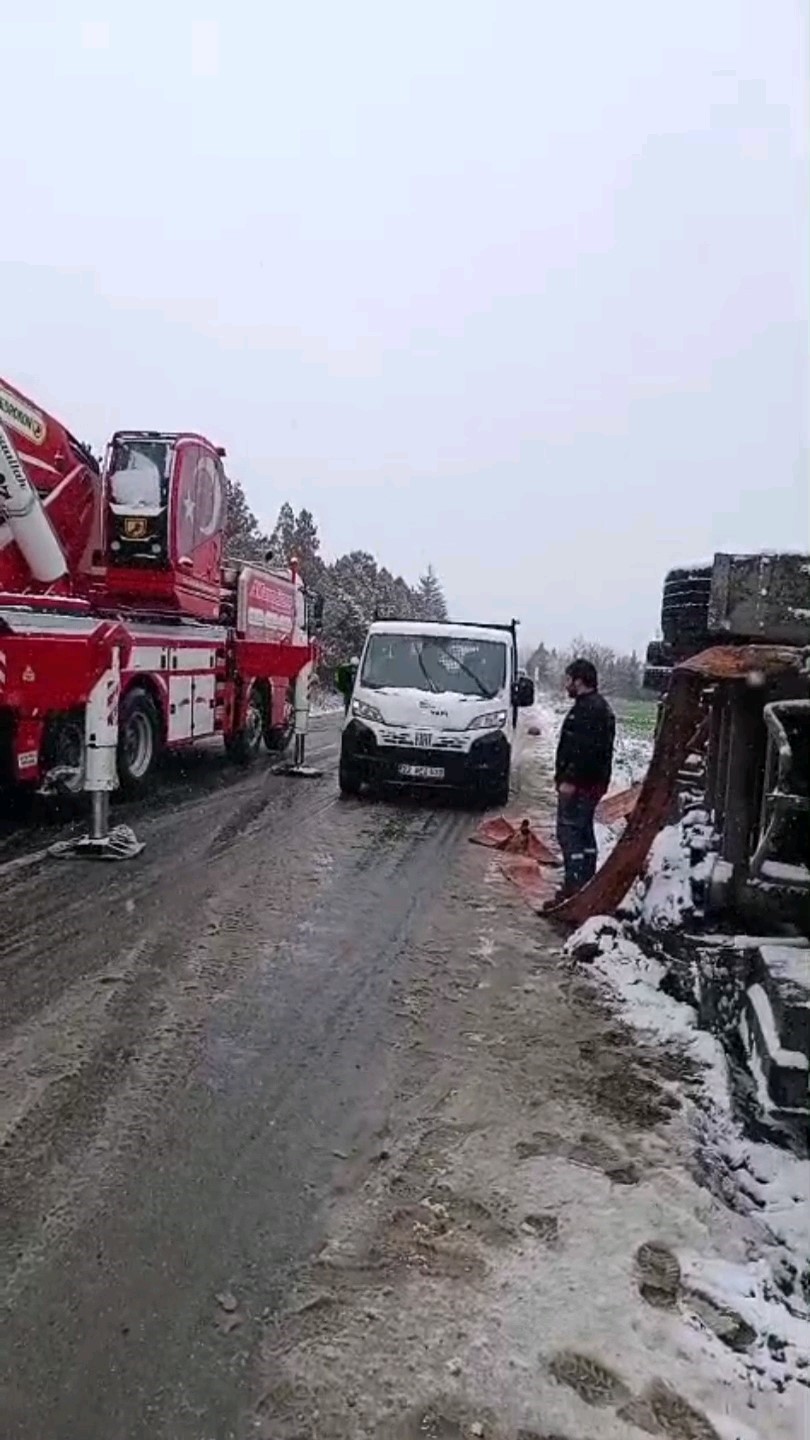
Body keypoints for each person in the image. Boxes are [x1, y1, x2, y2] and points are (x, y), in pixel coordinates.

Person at [546, 658, 615, 906]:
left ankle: (574, 889)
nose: (566, 685)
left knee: (570, 833)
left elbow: (585, 751)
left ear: (579, 681)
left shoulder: (589, 710)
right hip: (591, 783)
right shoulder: (595, 707)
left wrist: (570, 781)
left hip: (580, 785)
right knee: (584, 832)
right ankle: (586, 883)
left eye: (568, 679)